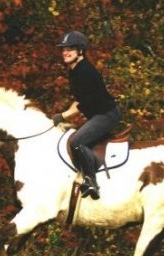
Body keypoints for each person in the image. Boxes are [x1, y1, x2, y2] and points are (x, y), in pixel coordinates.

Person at [53, 31, 121, 200]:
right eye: (63, 49)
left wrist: (63, 115)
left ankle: (91, 181)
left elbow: (83, 105)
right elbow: (79, 101)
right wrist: (62, 115)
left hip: (106, 115)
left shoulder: (85, 72)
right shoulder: (75, 71)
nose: (65, 52)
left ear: (80, 51)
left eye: (70, 49)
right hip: (97, 114)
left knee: (76, 141)